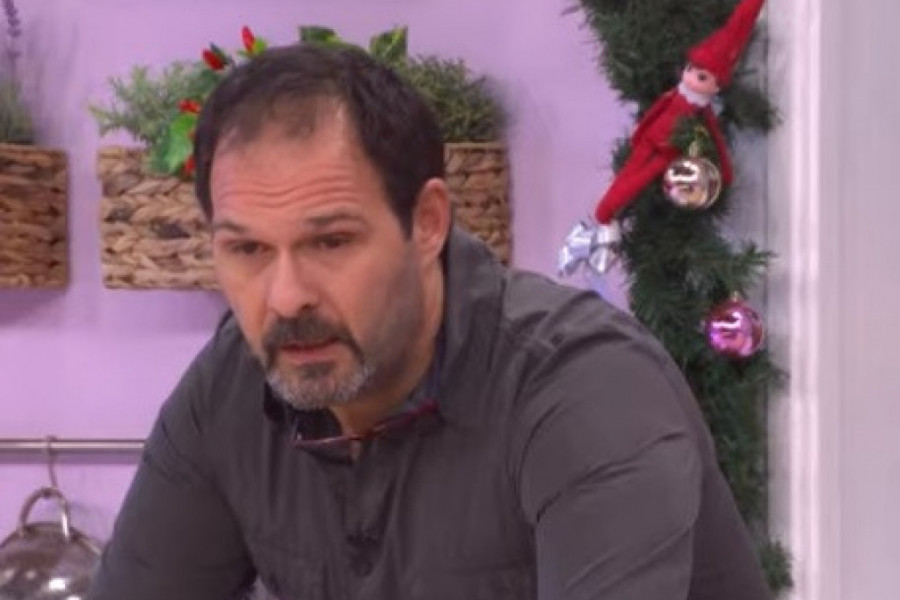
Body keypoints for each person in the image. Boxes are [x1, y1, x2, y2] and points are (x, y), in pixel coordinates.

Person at [89, 42, 773, 600]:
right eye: (247, 251)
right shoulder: (232, 385)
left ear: (427, 223)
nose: (286, 297)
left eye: (331, 242)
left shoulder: (587, 389)